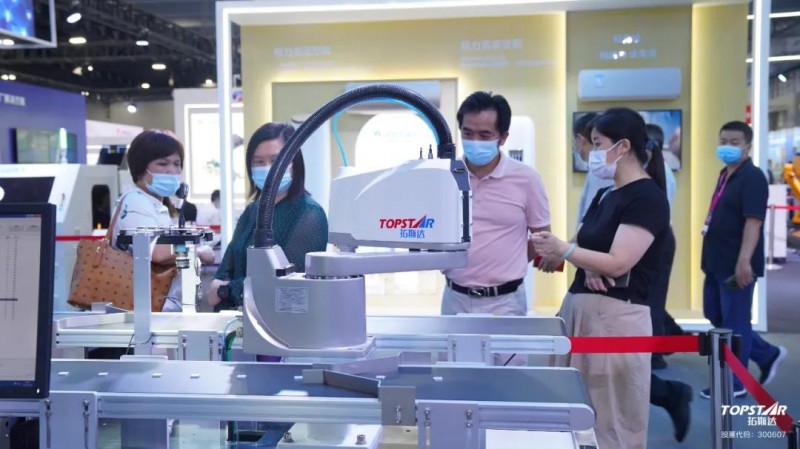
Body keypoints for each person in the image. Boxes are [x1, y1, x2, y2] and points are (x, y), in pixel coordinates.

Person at [532, 107, 670, 449]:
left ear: (623, 147)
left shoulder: (647, 197)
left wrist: (566, 250)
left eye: (597, 143)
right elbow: (586, 243)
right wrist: (584, 259)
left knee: (610, 422)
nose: (591, 153)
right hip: (580, 314)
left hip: (616, 322)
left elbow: (619, 262)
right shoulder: (604, 194)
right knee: (570, 413)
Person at [441, 92, 551, 319]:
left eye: (485, 135)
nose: (475, 141)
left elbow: (541, 237)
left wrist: (509, 262)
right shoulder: (444, 176)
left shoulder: (526, 179)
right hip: (455, 298)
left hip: (506, 301)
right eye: (468, 133)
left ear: (503, 137)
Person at [699, 121, 787, 399]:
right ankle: (767, 354)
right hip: (715, 261)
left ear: (748, 146)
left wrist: (744, 261)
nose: (728, 146)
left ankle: (735, 383)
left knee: (734, 324)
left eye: (735, 142)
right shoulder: (725, 174)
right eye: (724, 141)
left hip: (736, 265)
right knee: (715, 315)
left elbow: (753, 222)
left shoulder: (753, 177)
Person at [208, 122, 328, 311]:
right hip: (235, 320)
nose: (268, 168)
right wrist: (228, 288)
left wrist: (226, 290)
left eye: (276, 160)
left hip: (279, 323)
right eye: (258, 162)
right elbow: (224, 271)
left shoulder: (309, 214)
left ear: (294, 164)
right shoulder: (252, 211)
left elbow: (285, 285)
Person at [111, 130, 213, 312]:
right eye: (163, 163)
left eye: (177, 164)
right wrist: (197, 251)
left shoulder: (154, 204)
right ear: (141, 168)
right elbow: (157, 252)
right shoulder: (136, 202)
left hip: (157, 305)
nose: (172, 170)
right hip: (143, 310)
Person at [644, 123, 680, 370]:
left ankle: (655, 353)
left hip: (657, 240)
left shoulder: (660, 172)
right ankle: (672, 336)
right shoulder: (654, 170)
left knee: (652, 299)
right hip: (652, 238)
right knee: (647, 297)